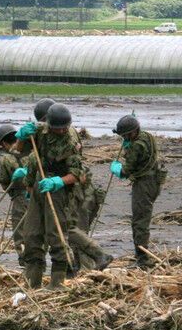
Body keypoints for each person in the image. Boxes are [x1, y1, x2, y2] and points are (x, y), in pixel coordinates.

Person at [16, 103, 112, 289]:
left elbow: (77, 174)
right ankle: (31, 284)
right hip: (39, 184)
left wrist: (58, 182)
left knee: (57, 236)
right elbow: (21, 149)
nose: (61, 131)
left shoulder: (70, 140)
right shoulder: (39, 131)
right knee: (32, 235)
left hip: (60, 187)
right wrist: (21, 136)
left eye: (64, 128)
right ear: (49, 125)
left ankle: (57, 284)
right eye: (57, 128)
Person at [110, 114, 167, 268]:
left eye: (125, 136)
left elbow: (126, 171)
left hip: (144, 184)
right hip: (153, 181)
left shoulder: (137, 145)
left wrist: (116, 169)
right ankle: (140, 254)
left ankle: (143, 259)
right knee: (140, 219)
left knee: (140, 221)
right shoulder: (146, 136)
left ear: (133, 132)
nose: (124, 139)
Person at [0, 124, 28, 266]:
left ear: (3, 143)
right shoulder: (29, 150)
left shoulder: (6, 159)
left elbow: (3, 181)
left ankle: (24, 258)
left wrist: (12, 191)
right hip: (37, 194)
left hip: (20, 197)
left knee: (19, 230)